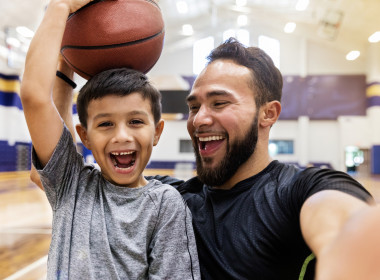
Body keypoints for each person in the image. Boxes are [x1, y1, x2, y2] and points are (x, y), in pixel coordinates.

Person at [29, 21, 378, 280]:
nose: (199, 119)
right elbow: (53, 163)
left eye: (219, 102)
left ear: (268, 113)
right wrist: (67, 68)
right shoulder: (170, 197)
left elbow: (346, 224)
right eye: (195, 106)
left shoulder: (300, 190)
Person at [20, 0, 200, 279]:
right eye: (105, 124)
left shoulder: (166, 204)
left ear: (157, 132)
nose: (121, 135)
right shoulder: (72, 186)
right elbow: (34, 96)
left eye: (136, 121)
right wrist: (61, 9)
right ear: (84, 136)